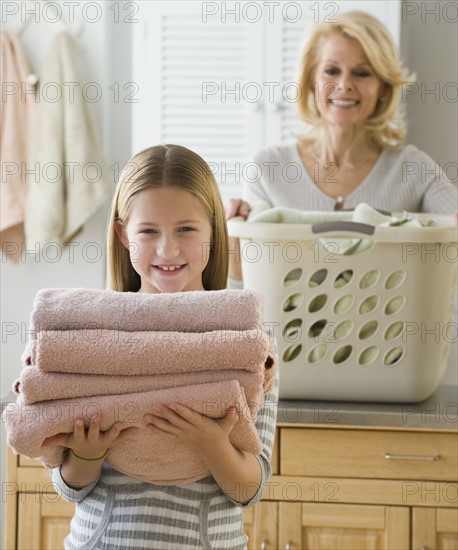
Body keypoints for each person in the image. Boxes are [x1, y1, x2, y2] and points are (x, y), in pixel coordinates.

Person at [43, 144, 278, 549]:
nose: (167, 250)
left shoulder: (244, 341)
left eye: (186, 229)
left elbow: (250, 489)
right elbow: (71, 488)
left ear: (213, 230)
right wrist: (86, 454)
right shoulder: (90, 339)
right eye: (148, 231)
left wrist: (212, 445)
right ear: (123, 234)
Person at [226, 10, 458, 284]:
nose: (344, 84)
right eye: (331, 70)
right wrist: (229, 231)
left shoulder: (414, 169)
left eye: (362, 73)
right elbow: (243, 284)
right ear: (312, 81)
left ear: (383, 87)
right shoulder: (267, 169)